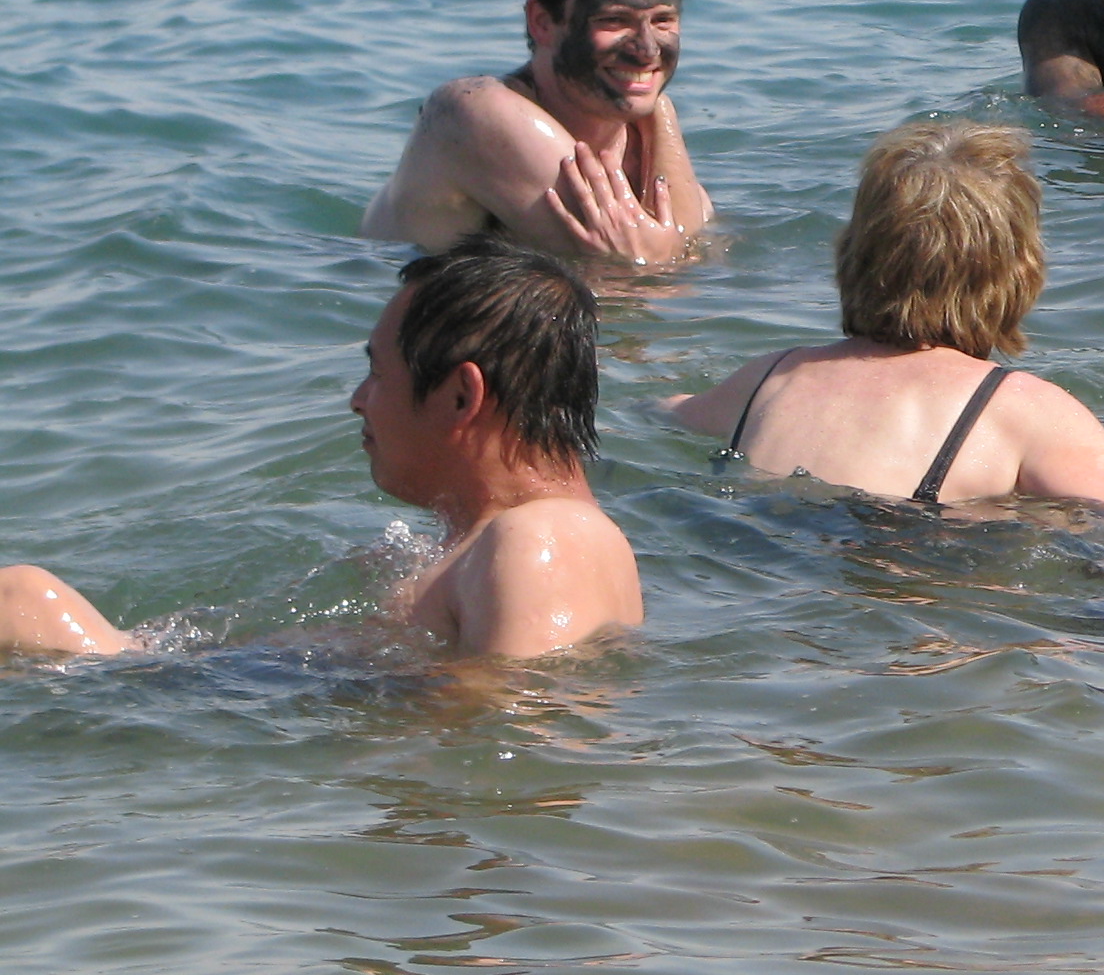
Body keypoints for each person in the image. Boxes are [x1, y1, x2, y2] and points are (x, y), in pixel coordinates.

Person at [4, 240, 643, 661]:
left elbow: (513, 746)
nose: (359, 401)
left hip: (207, 714)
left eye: (378, 375)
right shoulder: (496, 541)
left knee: (22, 600)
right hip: (216, 694)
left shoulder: (542, 541)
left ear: (460, 396)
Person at [668, 121, 1104, 518]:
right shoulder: (1025, 409)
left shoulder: (770, 378)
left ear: (854, 251)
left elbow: (658, 411)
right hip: (916, 572)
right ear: (1019, 269)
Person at [362, 0, 713, 262]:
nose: (647, 49)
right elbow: (650, 267)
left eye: (663, 20)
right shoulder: (476, 114)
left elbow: (679, 255)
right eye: (614, 20)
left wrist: (661, 115)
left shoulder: (648, 139)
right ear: (541, 22)